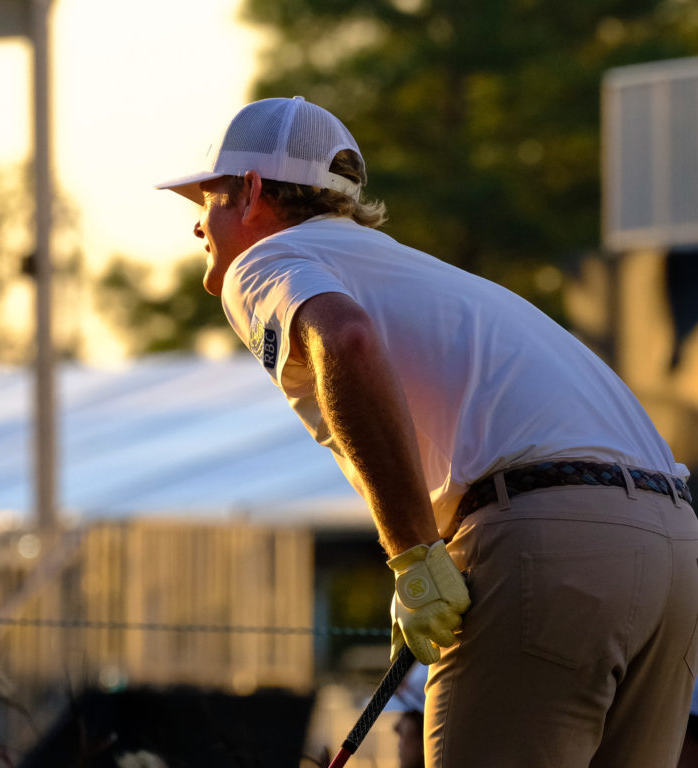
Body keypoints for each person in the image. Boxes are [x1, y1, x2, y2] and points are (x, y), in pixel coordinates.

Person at [157, 96, 698, 767]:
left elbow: (347, 341)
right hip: (674, 547)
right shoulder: (417, 272)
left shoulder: (265, 261)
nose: (198, 227)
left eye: (205, 198)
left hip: (552, 544)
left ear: (253, 195)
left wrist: (414, 558)